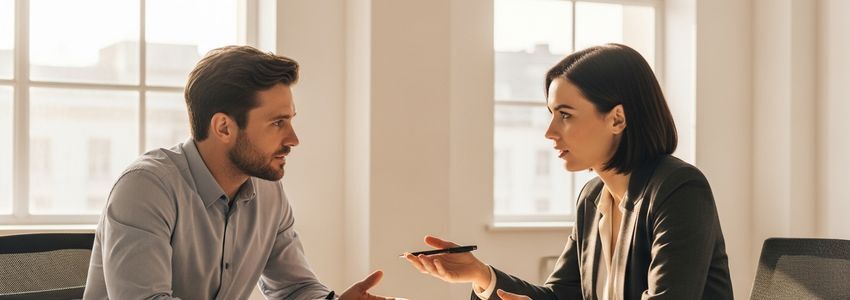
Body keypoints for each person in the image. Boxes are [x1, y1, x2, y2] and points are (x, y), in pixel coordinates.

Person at [403, 44, 733, 300]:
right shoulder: (592, 197)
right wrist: (481, 275)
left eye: (565, 115)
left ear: (617, 119)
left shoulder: (679, 189)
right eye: (551, 114)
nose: (549, 132)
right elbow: (560, 296)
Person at [84, 45, 397, 300]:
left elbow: (295, 287)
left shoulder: (268, 191)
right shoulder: (146, 188)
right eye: (277, 123)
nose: (293, 139)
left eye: (290, 120)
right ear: (224, 127)